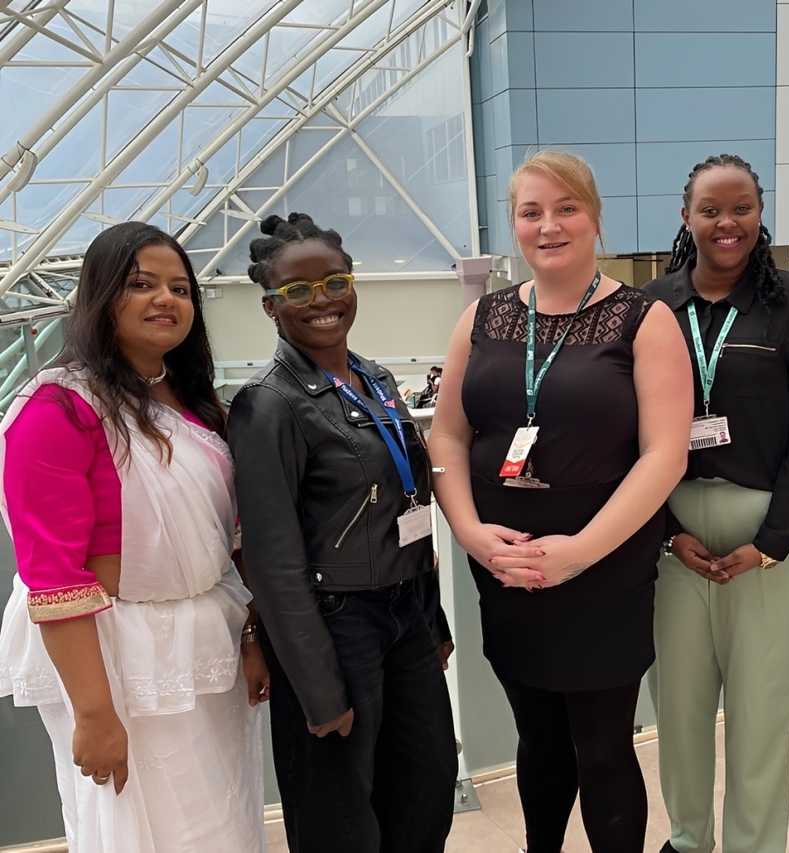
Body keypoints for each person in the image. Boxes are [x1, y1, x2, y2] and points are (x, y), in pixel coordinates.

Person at [428, 150, 692, 853]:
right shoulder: (481, 321)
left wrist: (579, 552)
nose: (550, 225)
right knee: (537, 737)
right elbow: (448, 436)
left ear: (594, 217)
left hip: (603, 573)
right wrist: (471, 533)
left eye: (566, 208)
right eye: (531, 211)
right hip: (508, 569)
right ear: (513, 224)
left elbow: (665, 454)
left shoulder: (643, 319)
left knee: (603, 747)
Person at [0, 222, 267, 852]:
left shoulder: (197, 406)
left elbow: (225, 539)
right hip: (116, 661)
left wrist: (250, 636)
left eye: (180, 287)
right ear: (100, 295)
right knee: (136, 832)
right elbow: (54, 576)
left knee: (219, 824)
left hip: (206, 650)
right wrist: (95, 715)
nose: (165, 299)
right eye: (141, 284)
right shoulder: (57, 410)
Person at [227, 212, 457, 853]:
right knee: (339, 814)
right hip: (335, 624)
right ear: (271, 308)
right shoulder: (267, 404)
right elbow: (273, 561)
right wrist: (317, 688)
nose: (322, 300)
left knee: (426, 785)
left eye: (335, 281)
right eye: (298, 292)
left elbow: (410, 504)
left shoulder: (375, 381)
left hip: (405, 614)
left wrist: (431, 619)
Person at [644, 154, 789, 853]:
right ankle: (689, 838)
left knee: (758, 714)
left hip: (770, 529)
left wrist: (774, 540)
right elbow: (627, 428)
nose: (727, 222)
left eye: (742, 207)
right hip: (673, 530)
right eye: (711, 209)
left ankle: (756, 844)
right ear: (685, 216)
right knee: (681, 707)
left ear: (760, 211)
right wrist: (665, 530)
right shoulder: (653, 306)